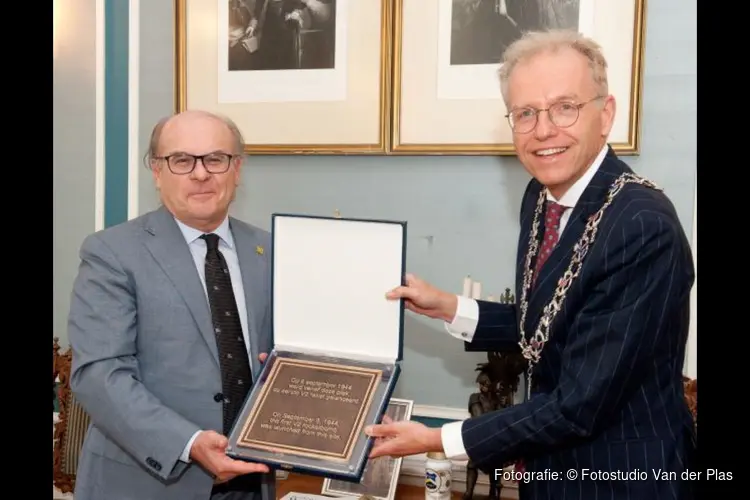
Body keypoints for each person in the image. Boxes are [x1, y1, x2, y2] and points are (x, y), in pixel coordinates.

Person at [365, 29, 696, 500]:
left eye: (565, 107)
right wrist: (448, 307)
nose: (543, 130)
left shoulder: (641, 226)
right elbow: (552, 325)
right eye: (525, 113)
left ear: (605, 115)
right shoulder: (542, 198)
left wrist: (440, 438)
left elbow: (583, 402)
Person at [67, 110, 276, 500]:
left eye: (215, 159)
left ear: (237, 169)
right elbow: (100, 374)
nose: (201, 174)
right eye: (182, 160)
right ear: (157, 172)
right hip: (147, 483)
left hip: (252, 482)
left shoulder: (272, 250)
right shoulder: (111, 253)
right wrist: (191, 443)